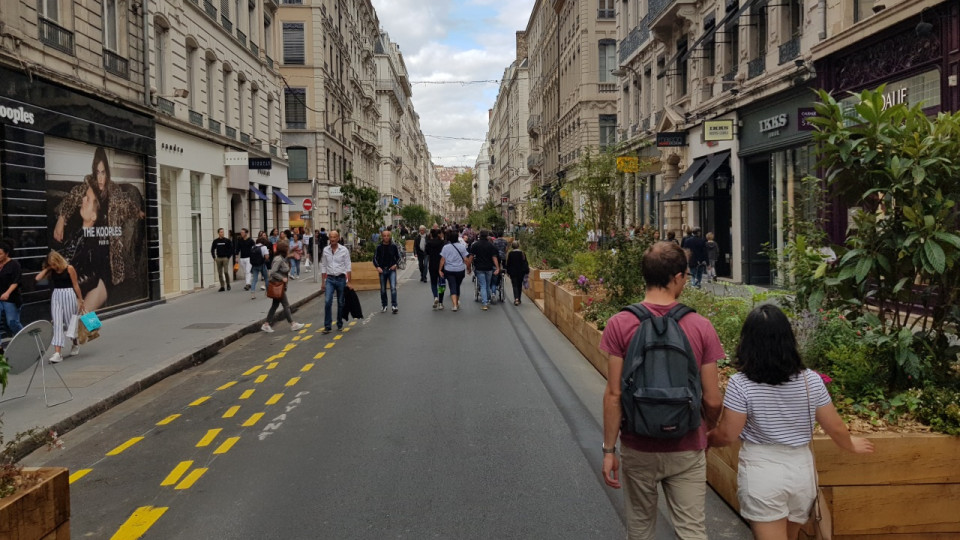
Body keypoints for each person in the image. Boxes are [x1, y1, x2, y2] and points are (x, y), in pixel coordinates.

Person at [708, 305, 874, 540]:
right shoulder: (811, 381)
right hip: (801, 470)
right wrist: (850, 445)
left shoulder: (741, 384)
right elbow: (834, 425)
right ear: (789, 339)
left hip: (762, 470)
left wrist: (705, 439)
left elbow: (727, 434)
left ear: (747, 341)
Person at [599, 242, 724, 540]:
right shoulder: (700, 325)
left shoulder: (620, 323)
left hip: (637, 445)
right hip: (686, 445)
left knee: (641, 529)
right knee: (692, 532)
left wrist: (608, 450)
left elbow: (614, 394)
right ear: (679, 277)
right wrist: (705, 431)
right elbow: (712, 398)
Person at [52, 147, 145, 290]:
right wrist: (61, 219)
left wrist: (138, 212)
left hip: (109, 251)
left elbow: (127, 205)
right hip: (91, 247)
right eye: (97, 173)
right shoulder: (86, 189)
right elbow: (70, 200)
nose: (100, 178)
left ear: (107, 172)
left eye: (103, 172)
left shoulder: (115, 192)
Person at [35, 251, 84, 363]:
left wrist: (81, 300)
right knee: (57, 323)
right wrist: (47, 268)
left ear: (58, 260)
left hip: (68, 294)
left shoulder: (69, 268)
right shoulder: (51, 270)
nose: (53, 266)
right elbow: (38, 278)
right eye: (51, 264)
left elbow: (76, 284)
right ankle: (58, 353)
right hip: (56, 295)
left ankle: (75, 343)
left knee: (70, 323)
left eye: (54, 263)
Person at [261, 241, 305, 333]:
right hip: (278, 285)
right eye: (287, 248)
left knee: (275, 305)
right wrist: (282, 278)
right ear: (283, 250)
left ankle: (266, 324)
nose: (288, 250)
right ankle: (293, 324)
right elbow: (272, 272)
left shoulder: (281, 258)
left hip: (280, 285)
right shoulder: (278, 259)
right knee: (286, 305)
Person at [319, 230, 352, 334]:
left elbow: (348, 266)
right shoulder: (325, 250)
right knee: (328, 301)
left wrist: (349, 282)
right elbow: (323, 266)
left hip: (341, 278)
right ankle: (327, 326)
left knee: (341, 302)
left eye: (334, 237)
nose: (332, 239)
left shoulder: (344, 250)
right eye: (331, 237)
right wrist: (323, 282)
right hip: (330, 279)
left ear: (338, 238)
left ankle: (339, 323)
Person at [439, 229, 471, 312]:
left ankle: (454, 305)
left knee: (452, 286)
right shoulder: (462, 247)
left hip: (449, 270)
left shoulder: (446, 247)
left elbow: (442, 259)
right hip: (460, 270)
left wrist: (440, 270)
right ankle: (456, 302)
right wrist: (469, 268)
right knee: (457, 286)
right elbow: (466, 259)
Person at [468, 230, 501, 311]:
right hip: (489, 268)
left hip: (479, 268)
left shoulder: (475, 245)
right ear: (487, 236)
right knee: (487, 284)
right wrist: (497, 268)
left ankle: (485, 303)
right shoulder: (491, 245)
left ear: (479, 235)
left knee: (483, 285)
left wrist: (468, 267)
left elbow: (471, 257)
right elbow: (494, 257)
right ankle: (487, 300)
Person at [373, 229, 402, 314]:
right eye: (384, 236)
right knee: (383, 289)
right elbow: (374, 258)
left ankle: (394, 305)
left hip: (391, 270)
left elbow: (398, 257)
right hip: (382, 270)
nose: (386, 237)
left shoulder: (393, 246)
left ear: (390, 237)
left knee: (393, 288)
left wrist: (395, 265)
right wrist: (377, 267)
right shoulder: (379, 247)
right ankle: (384, 305)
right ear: (382, 237)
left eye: (387, 236)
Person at [0, 240, 24, 341]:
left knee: (12, 322)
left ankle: (25, 338)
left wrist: (7, 293)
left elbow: (16, 281)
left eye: (0, 254)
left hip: (10, 298)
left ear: (6, 254)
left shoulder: (14, 265)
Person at [425, 228, 446, 310]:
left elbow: (427, 252)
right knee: (441, 283)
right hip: (441, 265)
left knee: (433, 282)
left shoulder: (429, 243)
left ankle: (435, 297)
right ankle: (441, 302)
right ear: (438, 235)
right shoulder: (442, 243)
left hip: (432, 264)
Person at [504, 240, 529, 306]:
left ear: (512, 246)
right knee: (519, 285)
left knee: (514, 285)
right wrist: (526, 271)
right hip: (521, 272)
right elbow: (525, 263)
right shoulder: (522, 253)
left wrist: (508, 271)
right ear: (518, 245)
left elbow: (508, 263)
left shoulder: (511, 253)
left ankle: (516, 299)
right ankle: (519, 299)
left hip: (513, 272)